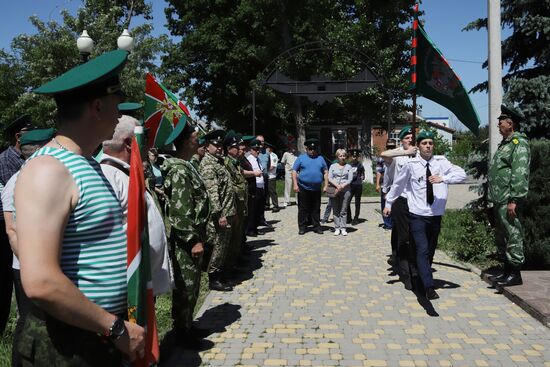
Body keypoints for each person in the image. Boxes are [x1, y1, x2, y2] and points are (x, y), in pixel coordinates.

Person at [14, 50, 145, 365]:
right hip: (65, 345)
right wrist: (114, 328)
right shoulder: (48, 169)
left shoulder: (86, 163)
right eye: (116, 104)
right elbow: (40, 282)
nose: (120, 115)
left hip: (94, 336)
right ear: (97, 107)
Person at [383, 131, 466, 300]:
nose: (428, 146)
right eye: (424, 143)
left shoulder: (442, 163)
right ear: (418, 147)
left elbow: (462, 175)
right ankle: (428, 287)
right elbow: (398, 185)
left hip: (436, 214)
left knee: (430, 250)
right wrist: (389, 203)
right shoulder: (411, 165)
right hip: (418, 214)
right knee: (421, 248)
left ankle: (421, 276)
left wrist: (443, 178)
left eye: (430, 143)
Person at [100, 115, 173, 297]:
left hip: (144, 281)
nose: (147, 147)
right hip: (130, 287)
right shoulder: (108, 176)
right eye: (143, 140)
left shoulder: (126, 173)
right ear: (129, 143)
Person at [2, 128, 54, 367]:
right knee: (28, 319)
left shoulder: (29, 177)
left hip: (32, 262)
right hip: (26, 263)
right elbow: (12, 228)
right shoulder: (18, 181)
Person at [161, 119, 211, 347]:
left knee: (193, 285)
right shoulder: (179, 171)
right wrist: (192, 240)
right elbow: (180, 212)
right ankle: (181, 333)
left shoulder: (187, 165)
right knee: (186, 287)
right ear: (185, 142)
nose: (198, 138)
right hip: (185, 240)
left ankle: (188, 325)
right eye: (194, 135)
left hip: (194, 236)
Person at [487, 106, 530, 287]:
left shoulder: (518, 143)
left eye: (501, 121)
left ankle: (515, 274)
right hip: (499, 199)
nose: (498, 124)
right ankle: (506, 271)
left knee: (513, 235)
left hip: (508, 200)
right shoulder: (505, 144)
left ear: (510, 123)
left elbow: (520, 174)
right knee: (503, 236)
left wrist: (514, 199)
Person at [0, 114, 34, 334]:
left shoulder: (27, 158)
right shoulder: (6, 160)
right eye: (28, 133)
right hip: (7, 229)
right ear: (18, 136)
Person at [381, 125, 418, 290]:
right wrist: (405, 152)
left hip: (415, 199)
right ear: (402, 140)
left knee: (405, 231)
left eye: (412, 138)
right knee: (401, 232)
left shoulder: (418, 154)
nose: (410, 140)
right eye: (407, 138)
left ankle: (401, 257)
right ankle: (402, 266)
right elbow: (383, 155)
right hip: (397, 197)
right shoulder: (397, 155)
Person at [199, 130, 236, 292]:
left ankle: (221, 274)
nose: (220, 148)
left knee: (223, 246)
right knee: (217, 247)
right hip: (219, 216)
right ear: (207, 146)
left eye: (221, 145)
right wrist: (220, 214)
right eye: (216, 145)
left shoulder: (218, 162)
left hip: (227, 213)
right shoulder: (208, 165)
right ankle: (214, 279)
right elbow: (212, 193)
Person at [223, 131, 248, 270]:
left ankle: (235, 262)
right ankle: (230, 266)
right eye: (236, 147)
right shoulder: (227, 163)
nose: (239, 149)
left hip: (239, 204)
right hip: (233, 205)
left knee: (237, 236)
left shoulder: (235, 163)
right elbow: (230, 186)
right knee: (232, 238)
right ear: (229, 149)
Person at [292, 138, 328, 235]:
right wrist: (295, 184)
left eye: (314, 149)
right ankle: (302, 227)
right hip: (303, 187)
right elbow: (294, 171)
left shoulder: (321, 158)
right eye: (310, 149)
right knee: (303, 208)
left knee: (316, 208)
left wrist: (326, 185)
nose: (312, 151)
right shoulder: (301, 158)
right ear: (306, 149)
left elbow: (325, 171)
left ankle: (316, 226)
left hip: (316, 188)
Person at [328, 149, 353, 236]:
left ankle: (343, 228)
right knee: (335, 209)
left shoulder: (349, 167)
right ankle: (337, 227)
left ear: (346, 157)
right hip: (334, 189)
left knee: (343, 210)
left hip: (345, 190)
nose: (342, 157)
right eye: (340, 156)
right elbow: (330, 178)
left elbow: (350, 179)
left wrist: (342, 186)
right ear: (337, 157)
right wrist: (337, 185)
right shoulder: (332, 166)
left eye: (344, 156)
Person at [245, 139, 266, 236]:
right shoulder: (249, 159)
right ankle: (250, 229)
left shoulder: (258, 159)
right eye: (256, 149)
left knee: (258, 209)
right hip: (254, 186)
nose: (258, 151)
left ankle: (255, 227)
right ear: (251, 149)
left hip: (261, 186)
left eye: (259, 149)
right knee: (252, 209)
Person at [376, 141, 396, 229]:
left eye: (392, 147)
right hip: (385, 184)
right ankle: (388, 223)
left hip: (396, 184)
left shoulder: (399, 156)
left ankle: (395, 222)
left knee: (395, 204)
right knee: (384, 203)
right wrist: (377, 184)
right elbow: (379, 172)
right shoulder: (382, 158)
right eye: (389, 147)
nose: (390, 149)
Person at [255, 135, 270, 226]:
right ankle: (255, 219)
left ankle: (262, 218)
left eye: (263, 141)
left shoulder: (267, 153)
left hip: (264, 177)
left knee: (264, 199)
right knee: (257, 200)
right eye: (260, 141)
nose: (261, 143)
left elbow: (268, 165)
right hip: (256, 178)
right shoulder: (252, 152)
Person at [348, 149, 365, 225]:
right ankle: (348, 217)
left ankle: (356, 218)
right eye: (353, 156)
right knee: (347, 201)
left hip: (358, 185)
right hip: (350, 185)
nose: (354, 157)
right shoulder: (348, 165)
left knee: (357, 202)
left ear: (358, 157)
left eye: (356, 156)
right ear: (351, 157)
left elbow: (363, 175)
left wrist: (362, 177)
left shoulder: (360, 165)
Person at [280, 143, 298, 207]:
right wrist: (286, 168)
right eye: (292, 146)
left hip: (296, 172)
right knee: (288, 186)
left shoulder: (298, 154)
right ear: (290, 147)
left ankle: (298, 200)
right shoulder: (286, 154)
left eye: (294, 146)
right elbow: (282, 162)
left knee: (297, 185)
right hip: (288, 172)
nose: (294, 148)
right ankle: (287, 201)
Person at [265, 142, 280, 212]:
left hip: (271, 176)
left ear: (270, 149)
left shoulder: (273, 156)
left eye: (266, 148)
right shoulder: (265, 155)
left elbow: (272, 166)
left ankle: (275, 205)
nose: (265, 149)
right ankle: (266, 204)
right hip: (266, 176)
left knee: (272, 191)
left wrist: (264, 169)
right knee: (266, 191)